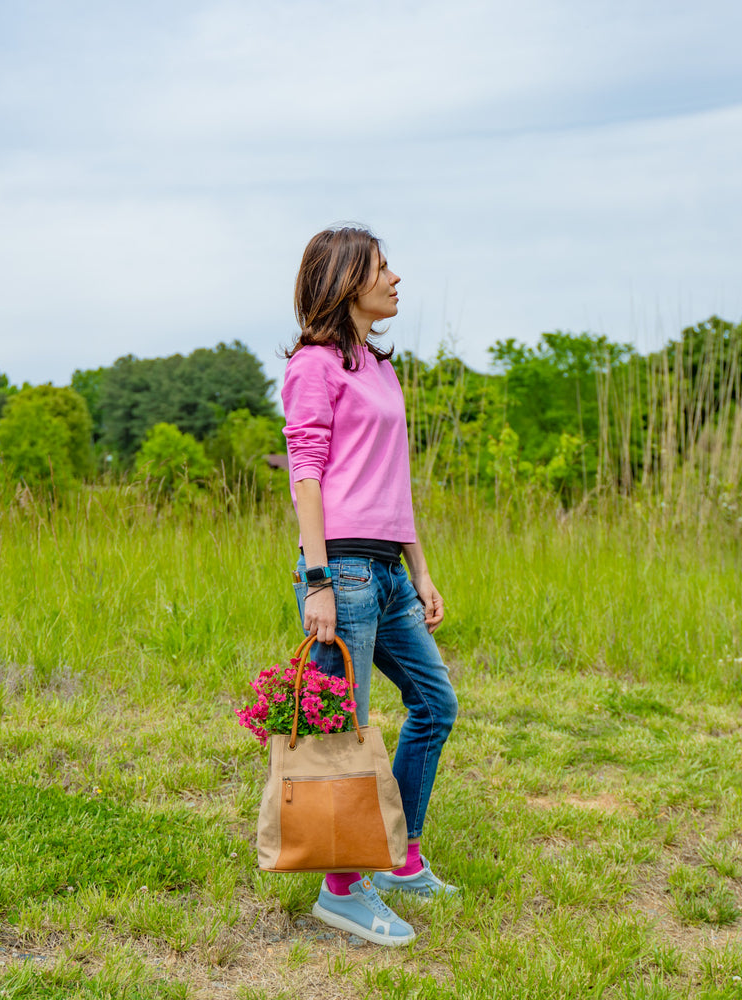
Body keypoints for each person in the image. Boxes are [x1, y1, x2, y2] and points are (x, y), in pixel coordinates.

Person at [281, 225, 460, 947]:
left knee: (434, 705)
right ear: (346, 280)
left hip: (388, 569)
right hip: (344, 570)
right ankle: (341, 889)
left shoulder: (380, 371)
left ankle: (401, 856)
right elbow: (307, 474)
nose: (395, 279)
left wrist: (421, 570)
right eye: (383, 268)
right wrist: (318, 577)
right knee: (342, 732)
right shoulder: (314, 367)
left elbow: (397, 483)